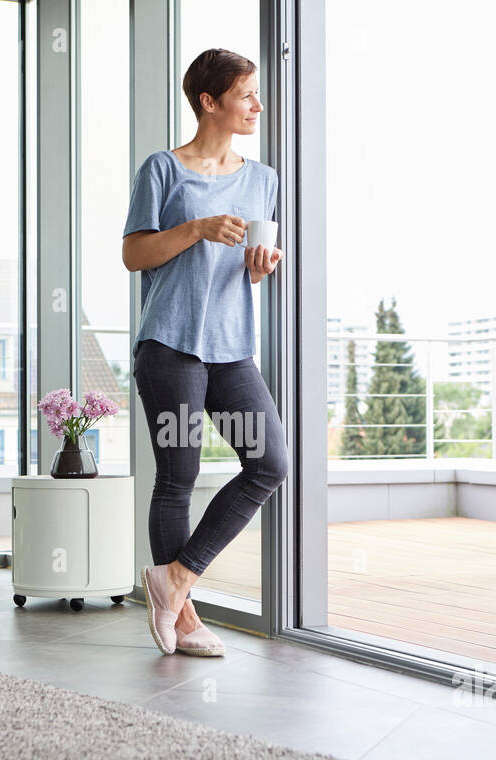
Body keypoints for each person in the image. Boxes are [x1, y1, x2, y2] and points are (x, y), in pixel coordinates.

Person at [121, 48, 286, 658]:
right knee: (178, 476)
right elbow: (135, 256)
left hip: (231, 346)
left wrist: (263, 265)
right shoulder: (161, 170)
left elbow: (254, 262)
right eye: (246, 96)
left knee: (270, 462)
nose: (257, 106)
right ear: (209, 101)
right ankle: (183, 621)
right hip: (169, 344)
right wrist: (196, 228)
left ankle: (175, 580)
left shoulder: (263, 179)